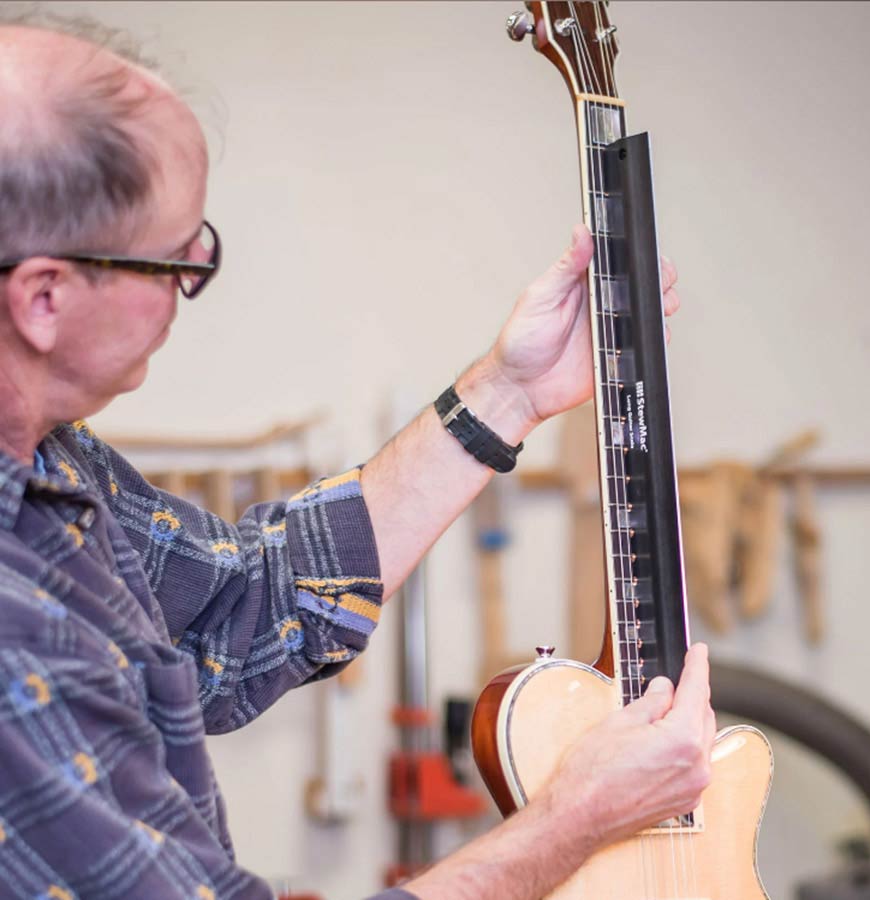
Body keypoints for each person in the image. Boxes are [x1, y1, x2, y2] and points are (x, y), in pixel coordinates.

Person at [0, 14, 714, 900]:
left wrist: (509, 391)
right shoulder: (15, 635)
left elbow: (240, 609)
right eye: (176, 263)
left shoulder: (53, 463)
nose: (190, 286)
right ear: (44, 298)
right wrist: (574, 820)